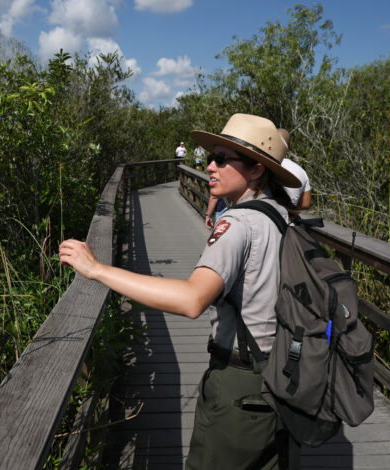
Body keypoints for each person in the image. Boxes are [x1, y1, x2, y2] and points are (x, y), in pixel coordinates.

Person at [60, 113, 301, 469]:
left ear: (256, 171)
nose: (211, 167)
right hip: (281, 375)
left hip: (241, 387)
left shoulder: (237, 223)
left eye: (222, 159)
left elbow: (192, 300)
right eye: (211, 158)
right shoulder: (279, 215)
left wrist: (98, 270)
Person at [278, 129, 311, 214]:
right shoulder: (301, 171)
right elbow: (306, 204)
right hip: (288, 217)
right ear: (289, 147)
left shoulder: (262, 165)